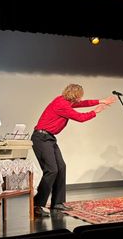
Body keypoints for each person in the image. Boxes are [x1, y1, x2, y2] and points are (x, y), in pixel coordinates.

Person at [32, 84, 116, 217]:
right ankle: (37, 205)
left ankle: (57, 202)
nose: (81, 99)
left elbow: (83, 103)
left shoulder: (65, 101)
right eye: (79, 96)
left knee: (61, 167)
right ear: (74, 95)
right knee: (52, 170)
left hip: (49, 138)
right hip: (41, 138)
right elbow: (80, 118)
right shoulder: (61, 104)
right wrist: (96, 112)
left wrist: (101, 101)